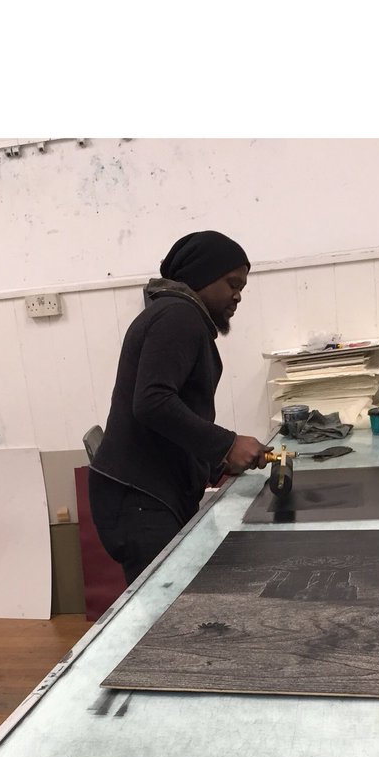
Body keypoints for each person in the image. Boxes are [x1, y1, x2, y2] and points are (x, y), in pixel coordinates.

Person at [89, 230, 271, 584]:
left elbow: (174, 411)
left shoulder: (176, 315)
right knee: (161, 606)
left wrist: (217, 461)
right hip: (141, 499)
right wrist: (226, 445)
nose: (238, 296)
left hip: (145, 493)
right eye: (232, 284)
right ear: (203, 275)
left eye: (242, 288)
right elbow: (153, 402)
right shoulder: (178, 316)